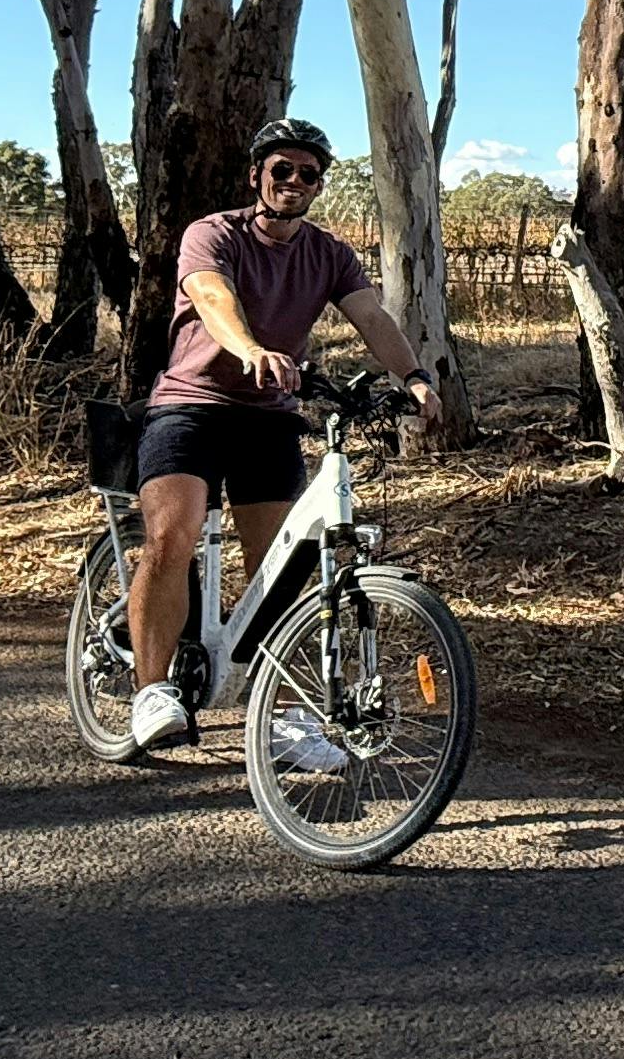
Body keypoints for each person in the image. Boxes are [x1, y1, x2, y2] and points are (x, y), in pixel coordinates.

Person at [122, 115, 434, 757]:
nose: (294, 181)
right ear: (257, 176)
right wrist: (250, 348)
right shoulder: (213, 233)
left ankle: (285, 714)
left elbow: (371, 315)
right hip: (191, 407)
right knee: (173, 533)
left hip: (268, 417)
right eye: (282, 169)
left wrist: (415, 377)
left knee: (283, 569)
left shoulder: (327, 252)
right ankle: (151, 690)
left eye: (308, 173)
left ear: (319, 185)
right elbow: (212, 297)